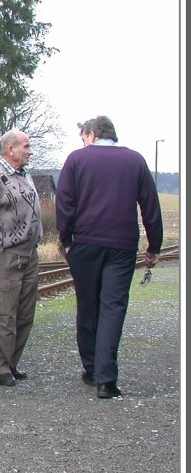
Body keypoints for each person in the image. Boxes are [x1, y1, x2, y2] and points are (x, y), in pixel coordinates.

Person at [56, 116, 162, 399]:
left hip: (85, 244)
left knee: (87, 305)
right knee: (113, 307)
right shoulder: (135, 161)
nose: (82, 142)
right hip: (121, 245)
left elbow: (64, 203)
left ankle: (91, 367)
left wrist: (66, 240)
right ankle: (107, 379)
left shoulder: (76, 160)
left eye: (83, 137)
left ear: (92, 134)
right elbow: (150, 205)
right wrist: (154, 246)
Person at [0, 129, 42, 387]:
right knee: (4, 315)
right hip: (7, 255)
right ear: (10, 149)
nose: (30, 151)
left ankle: (9, 363)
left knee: (25, 314)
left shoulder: (25, 175)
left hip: (29, 254)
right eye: (26, 146)